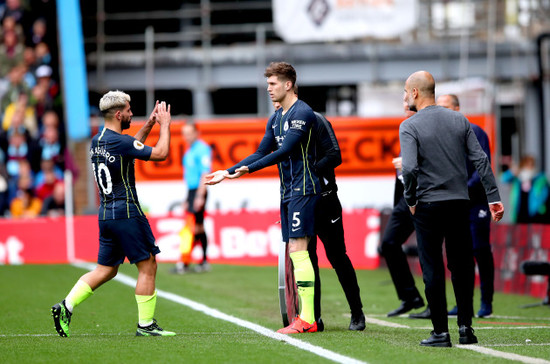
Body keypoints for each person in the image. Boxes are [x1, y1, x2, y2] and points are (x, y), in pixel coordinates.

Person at [206, 62, 320, 334]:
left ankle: (309, 319)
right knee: (296, 250)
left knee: (298, 249)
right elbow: (261, 152)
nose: (268, 89)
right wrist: (229, 170)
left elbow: (286, 151)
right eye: (268, 83)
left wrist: (248, 170)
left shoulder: (302, 113)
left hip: (304, 188)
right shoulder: (277, 117)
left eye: (272, 84)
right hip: (288, 192)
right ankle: (306, 317)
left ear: (288, 84)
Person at [51, 91, 175, 337]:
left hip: (106, 214)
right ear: (119, 114)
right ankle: (146, 325)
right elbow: (160, 153)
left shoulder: (99, 140)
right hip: (127, 212)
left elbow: (131, 147)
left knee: (106, 269)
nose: (131, 114)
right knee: (147, 265)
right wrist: (165, 126)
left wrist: (149, 124)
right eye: (129, 111)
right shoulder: (121, 142)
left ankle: (66, 306)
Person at [399, 71, 504, 347]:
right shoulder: (460, 119)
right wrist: (493, 197)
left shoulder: (409, 126)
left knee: (432, 266)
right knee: (462, 265)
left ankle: (440, 333)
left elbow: (408, 168)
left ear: (415, 93)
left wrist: (410, 198)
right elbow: (481, 161)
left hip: (428, 205)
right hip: (460, 203)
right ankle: (466, 328)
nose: (404, 97)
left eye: (405, 92)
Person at [437, 94, 495, 318]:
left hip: (476, 200)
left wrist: (464, 188)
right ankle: (464, 304)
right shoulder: (441, 134)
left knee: (479, 248)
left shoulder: (474, 130)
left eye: (446, 106)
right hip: (455, 201)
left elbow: (482, 165)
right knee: (459, 254)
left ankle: (486, 302)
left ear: (457, 108)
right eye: (439, 107)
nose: (442, 111)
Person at [380, 102, 427, 318]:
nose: (403, 104)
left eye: (406, 100)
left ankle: (436, 306)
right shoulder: (407, 126)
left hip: (424, 195)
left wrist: (407, 164)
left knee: (429, 250)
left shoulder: (423, 125)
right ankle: (410, 297)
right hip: (407, 198)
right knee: (389, 243)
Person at [173, 122, 212, 273]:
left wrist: (200, 195)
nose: (186, 137)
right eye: (184, 133)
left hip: (198, 191)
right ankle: (202, 261)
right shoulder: (190, 151)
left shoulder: (202, 149)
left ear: (196, 133)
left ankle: (185, 262)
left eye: (189, 133)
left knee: (192, 226)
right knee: (198, 226)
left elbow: (204, 173)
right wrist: (187, 198)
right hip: (191, 191)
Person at [501, 155, 550, 224]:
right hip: (519, 215)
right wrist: (513, 171)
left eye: (531, 166)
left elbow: (544, 196)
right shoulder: (517, 181)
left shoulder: (539, 180)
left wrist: (539, 209)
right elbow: (503, 179)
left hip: (535, 216)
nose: (528, 168)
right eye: (526, 166)